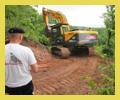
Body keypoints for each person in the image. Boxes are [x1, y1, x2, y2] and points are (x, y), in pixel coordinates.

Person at [5, 27, 41, 95]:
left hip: (7, 86)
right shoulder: (27, 50)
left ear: (9, 37)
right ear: (21, 37)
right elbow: (35, 70)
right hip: (25, 85)